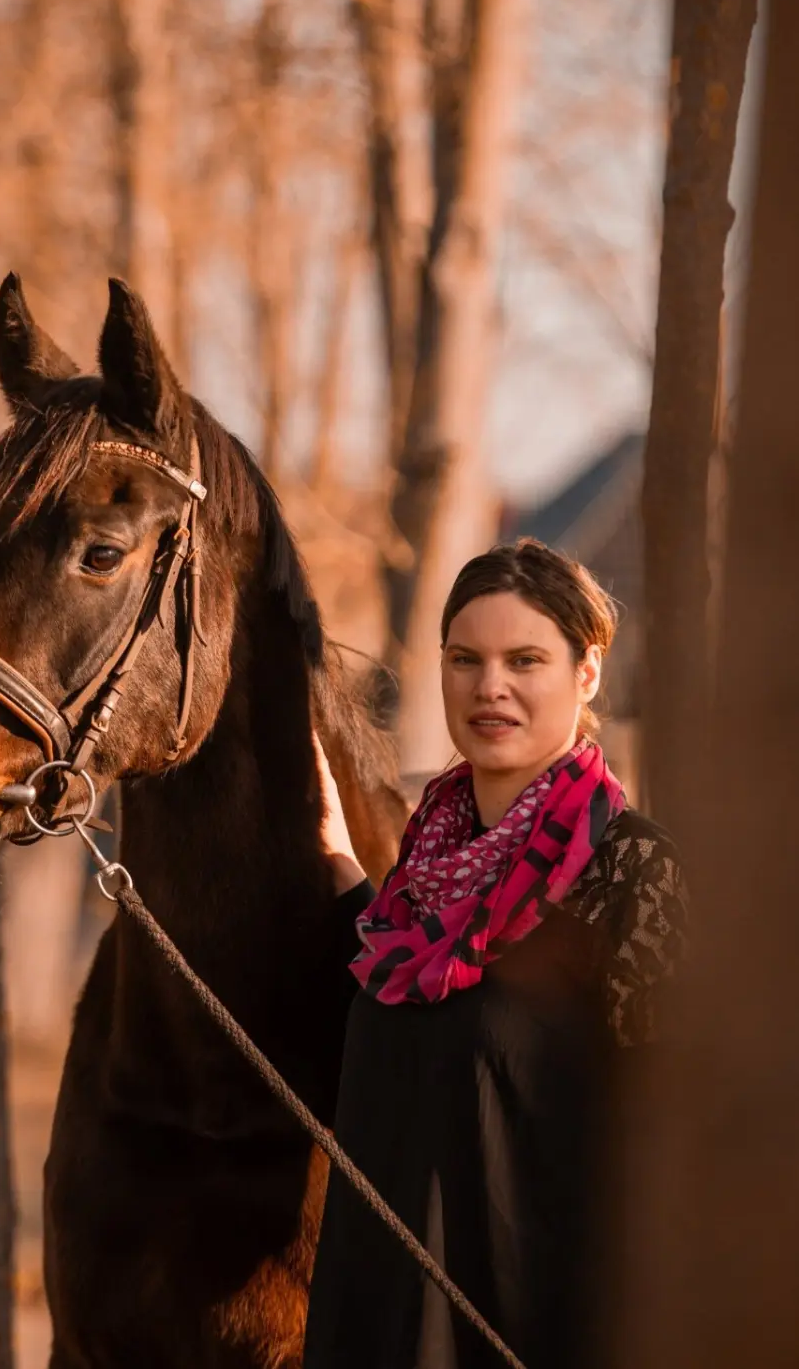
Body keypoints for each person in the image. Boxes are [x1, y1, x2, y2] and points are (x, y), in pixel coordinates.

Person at [306, 538, 687, 1369]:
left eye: (525, 660)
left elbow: (677, 1156)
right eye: (464, 659)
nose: (491, 687)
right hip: (373, 1335)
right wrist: (333, 857)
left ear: (586, 673)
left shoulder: (634, 875)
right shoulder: (415, 886)